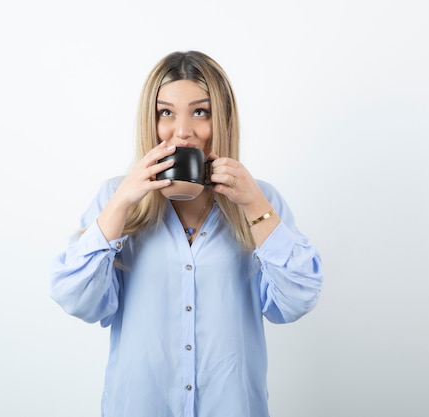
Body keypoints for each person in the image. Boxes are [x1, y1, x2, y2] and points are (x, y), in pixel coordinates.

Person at [50, 50, 324, 417]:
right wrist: (122, 203)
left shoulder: (261, 200)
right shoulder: (115, 199)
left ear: (222, 119)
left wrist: (255, 206)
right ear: (152, 121)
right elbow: (76, 299)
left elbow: (296, 302)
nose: (183, 131)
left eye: (201, 112)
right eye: (166, 113)